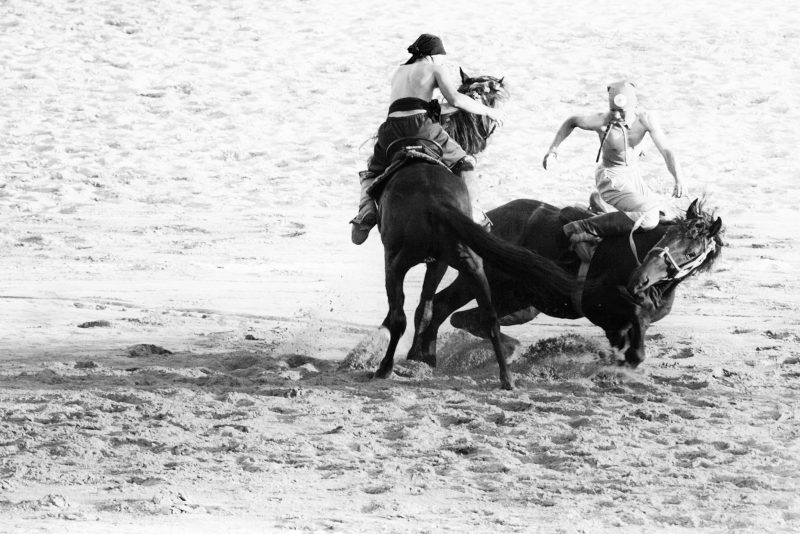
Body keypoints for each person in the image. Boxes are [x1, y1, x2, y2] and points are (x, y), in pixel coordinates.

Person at [350, 33, 506, 245]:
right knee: (464, 162)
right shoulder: (435, 68)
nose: (443, 62)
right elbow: (455, 99)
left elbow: (409, 103)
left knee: (372, 171)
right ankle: (475, 214)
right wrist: (489, 112)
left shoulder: (399, 71)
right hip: (422, 127)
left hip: (390, 129)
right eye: (442, 57)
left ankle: (366, 211)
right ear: (433, 56)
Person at [542, 81, 685, 259]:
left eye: (621, 111)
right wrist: (553, 149)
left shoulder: (645, 120)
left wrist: (678, 178)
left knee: (664, 214)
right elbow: (572, 121)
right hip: (611, 176)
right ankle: (581, 227)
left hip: (633, 175)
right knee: (649, 218)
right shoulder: (602, 121)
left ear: (634, 107)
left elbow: (667, 151)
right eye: (613, 110)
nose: (616, 116)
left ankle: (601, 208)